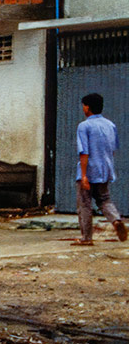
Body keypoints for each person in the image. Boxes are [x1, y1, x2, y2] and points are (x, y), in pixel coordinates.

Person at [74, 92, 126, 246]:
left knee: (84, 203)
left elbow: (84, 152)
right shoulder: (110, 125)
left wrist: (83, 175)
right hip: (105, 168)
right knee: (104, 199)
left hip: (89, 169)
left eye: (84, 105)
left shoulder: (84, 126)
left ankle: (86, 238)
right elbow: (113, 149)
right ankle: (116, 220)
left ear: (87, 107)